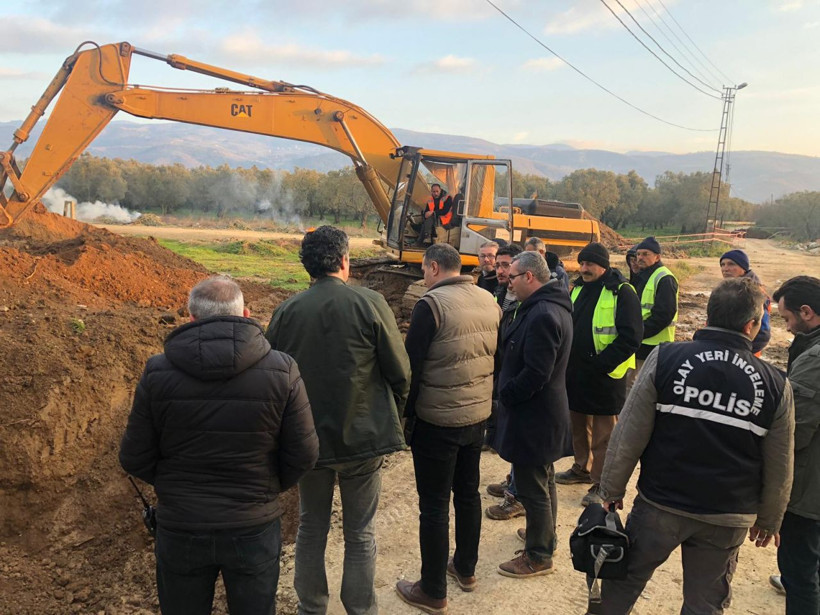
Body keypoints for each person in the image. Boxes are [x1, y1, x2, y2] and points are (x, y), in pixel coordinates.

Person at [590, 277, 795, 615]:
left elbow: (629, 432)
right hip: (727, 516)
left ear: (708, 316)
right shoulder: (775, 384)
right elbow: (780, 460)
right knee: (705, 603)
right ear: (751, 325)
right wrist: (770, 519)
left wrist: (611, 489)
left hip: (661, 505)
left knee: (620, 585)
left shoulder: (667, 358)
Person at [119, 275, 319, 615]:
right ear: (246, 314)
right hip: (253, 527)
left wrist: (175, 487)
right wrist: (266, 486)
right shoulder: (282, 370)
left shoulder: (157, 371)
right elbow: (304, 453)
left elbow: (134, 456)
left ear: (191, 318)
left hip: (181, 527)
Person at [266, 226, 411, 615]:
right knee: (360, 532)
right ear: (345, 260)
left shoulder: (286, 311)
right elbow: (400, 372)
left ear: (307, 267)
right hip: (363, 439)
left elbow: (273, 376)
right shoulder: (371, 303)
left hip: (307, 441)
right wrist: (392, 417)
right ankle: (360, 609)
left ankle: (311, 607)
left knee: (312, 527)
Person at [396, 244, 501, 614]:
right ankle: (466, 569)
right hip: (476, 417)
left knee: (435, 505)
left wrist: (405, 420)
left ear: (435, 267)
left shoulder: (431, 305)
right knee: (468, 493)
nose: (424, 277)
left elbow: (411, 368)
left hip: (437, 420)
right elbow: (495, 358)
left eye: (425, 270)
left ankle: (432, 589)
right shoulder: (490, 300)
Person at [494, 251, 574, 577]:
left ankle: (539, 556)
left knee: (532, 486)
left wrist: (505, 395)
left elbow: (536, 373)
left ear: (529, 277)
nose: (507, 282)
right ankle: (545, 536)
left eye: (512, 276)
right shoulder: (549, 306)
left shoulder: (542, 314)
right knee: (544, 478)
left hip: (534, 416)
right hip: (541, 414)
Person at [558, 242, 642, 507]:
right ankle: (581, 468)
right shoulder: (578, 288)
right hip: (577, 372)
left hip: (606, 375)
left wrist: (601, 363)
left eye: (589, 264)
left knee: (605, 435)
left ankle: (601, 484)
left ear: (603, 265)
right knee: (579, 426)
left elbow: (631, 337)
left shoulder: (622, 292)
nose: (584, 268)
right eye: (582, 263)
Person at [771, 276, 820, 614]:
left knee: (799, 575)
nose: (787, 328)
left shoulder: (814, 360)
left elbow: (794, 431)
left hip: (808, 490)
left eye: (787, 319)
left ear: (807, 312)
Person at [627, 236, 678, 389]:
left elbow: (664, 314)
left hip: (653, 344)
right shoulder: (643, 275)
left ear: (657, 257)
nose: (640, 258)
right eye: (639, 254)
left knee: (638, 385)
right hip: (641, 341)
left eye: (645, 254)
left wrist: (640, 331)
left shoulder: (664, 278)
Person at [719, 249, 771, 355]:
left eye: (731, 264)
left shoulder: (754, 293)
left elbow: (763, 334)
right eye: (722, 265)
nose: (725, 269)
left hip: (742, 358)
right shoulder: (731, 288)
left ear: (743, 267)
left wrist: (740, 354)